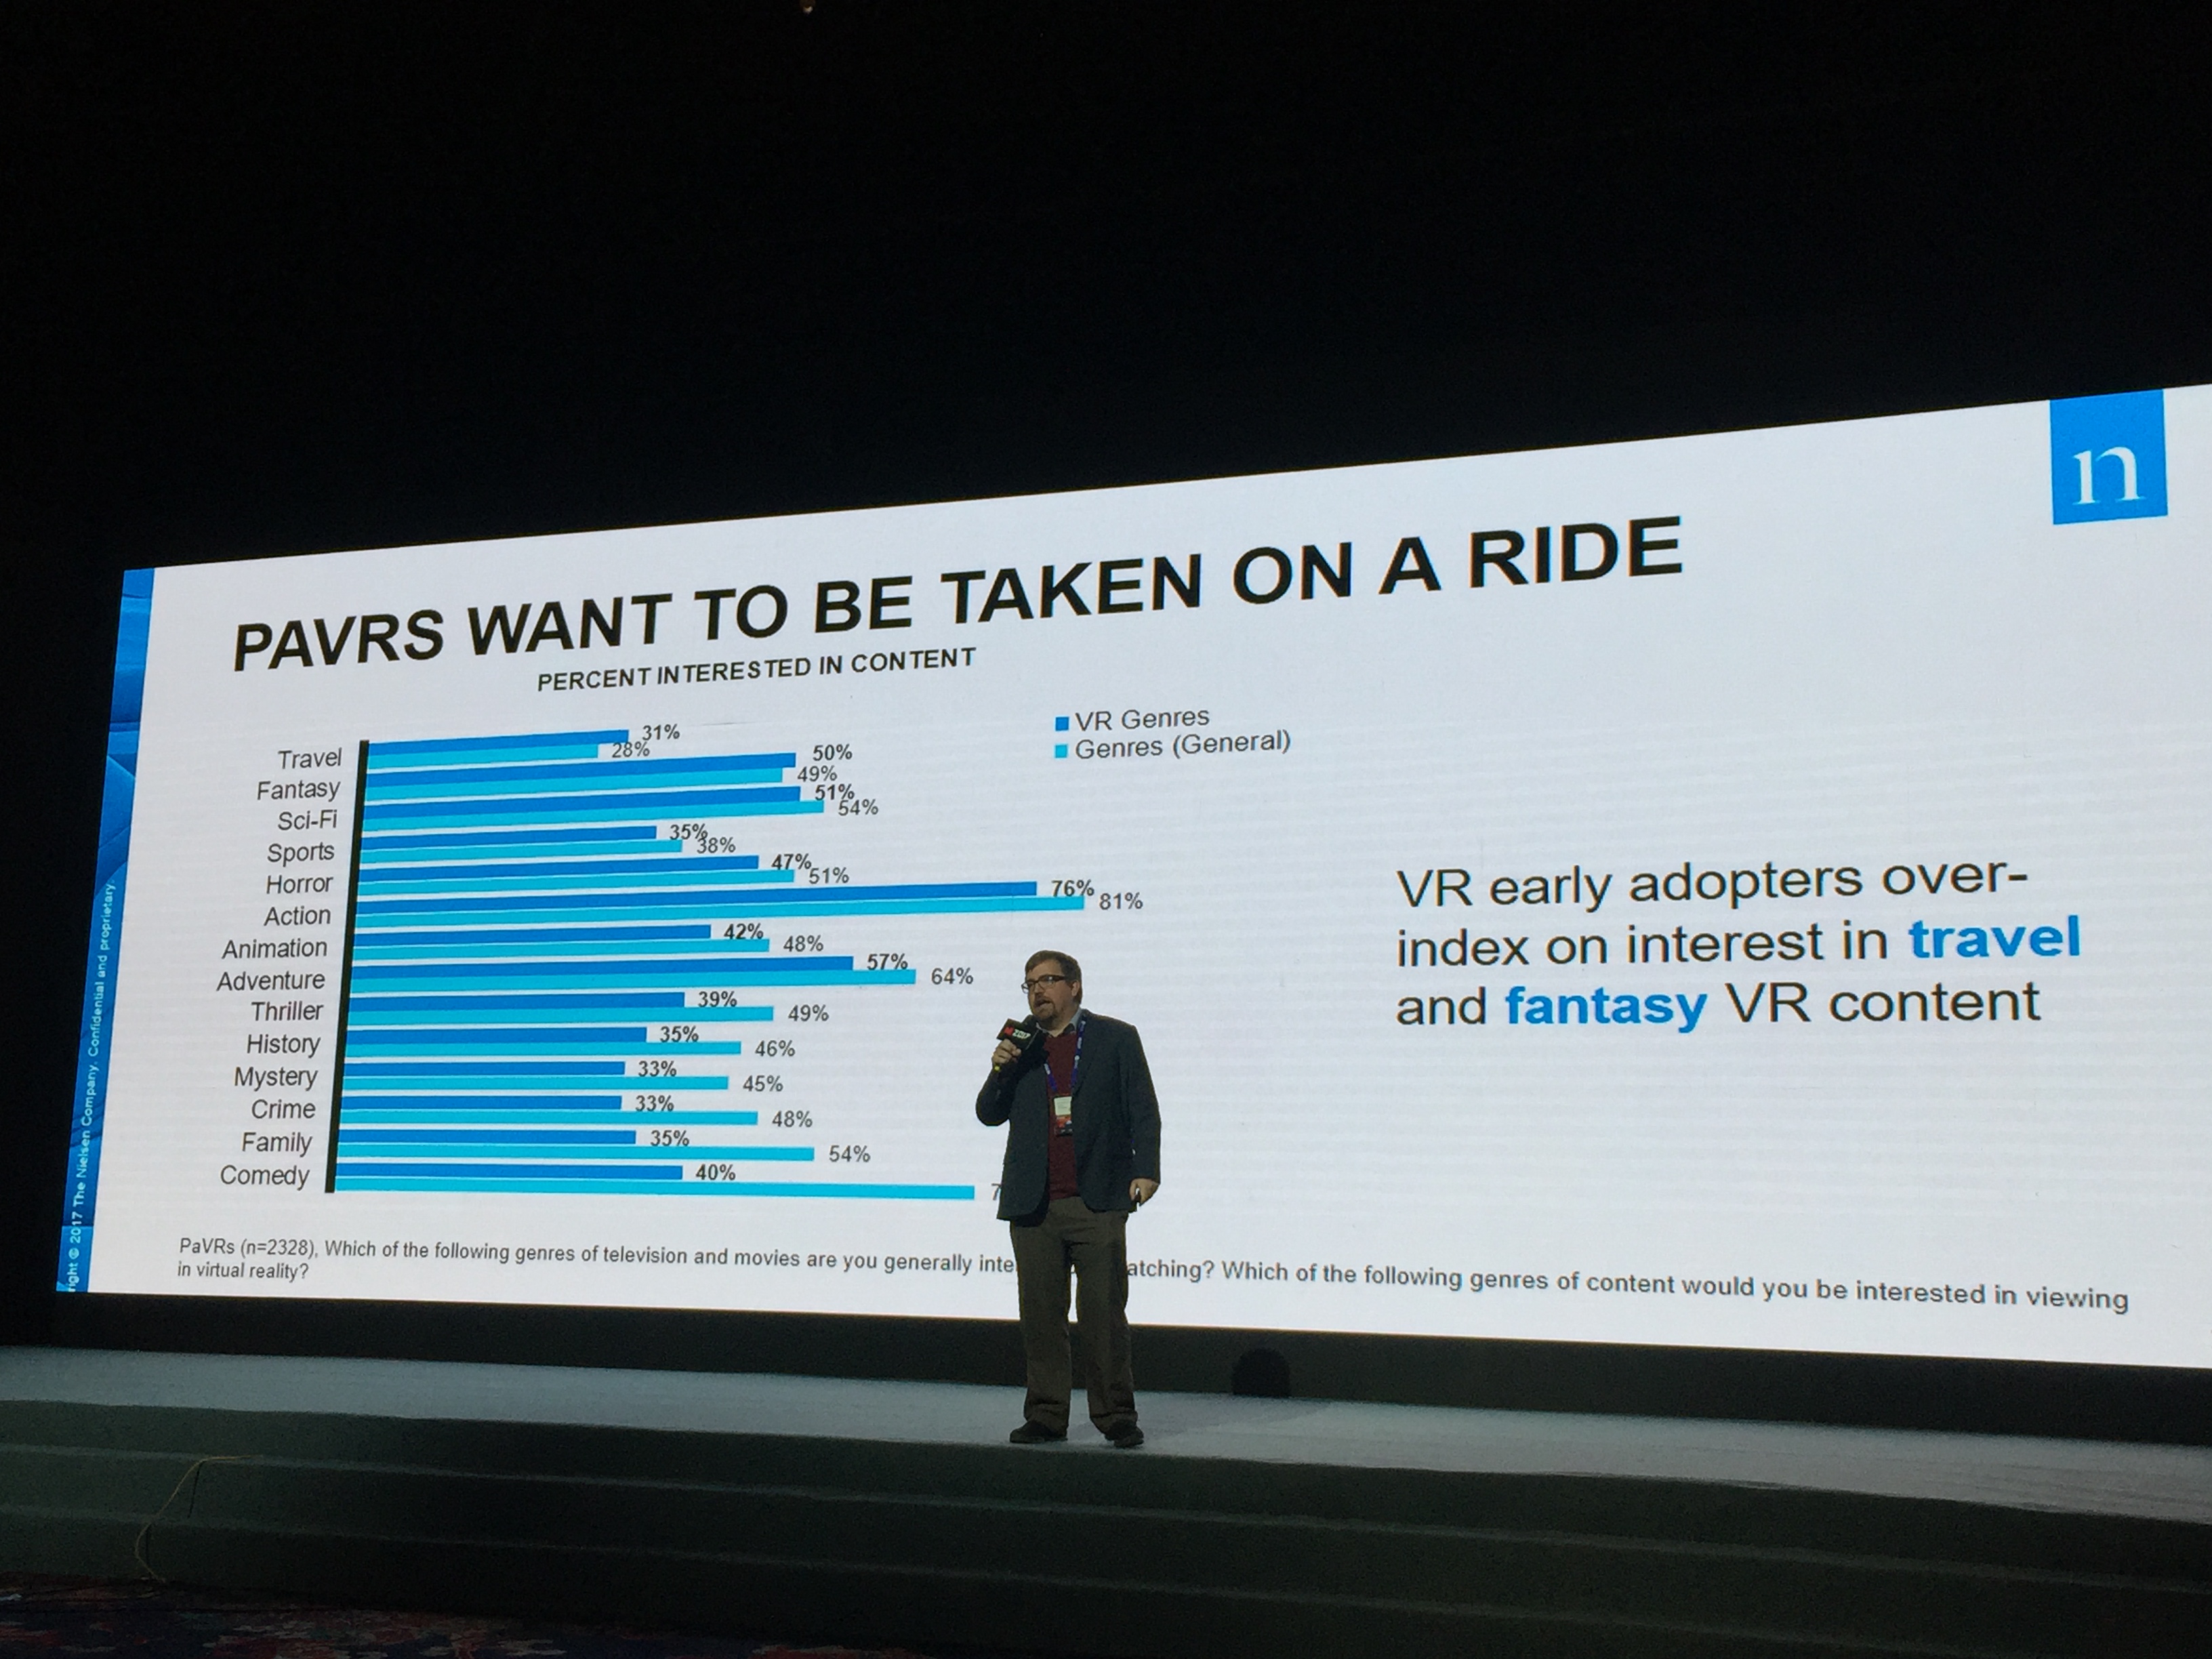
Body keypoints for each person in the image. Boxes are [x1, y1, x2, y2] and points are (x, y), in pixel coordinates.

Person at [977, 950, 1160, 1448]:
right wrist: (1000, 1070)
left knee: (1104, 1317)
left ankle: (1115, 1415)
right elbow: (988, 1113)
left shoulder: (1116, 1037)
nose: (1038, 991)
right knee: (1041, 1319)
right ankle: (1046, 1414)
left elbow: (1143, 1107)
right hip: (1033, 1204)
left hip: (1096, 1199)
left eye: (1048, 980)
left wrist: (1147, 1169)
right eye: (1030, 983)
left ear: (1074, 986)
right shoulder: (1022, 1046)